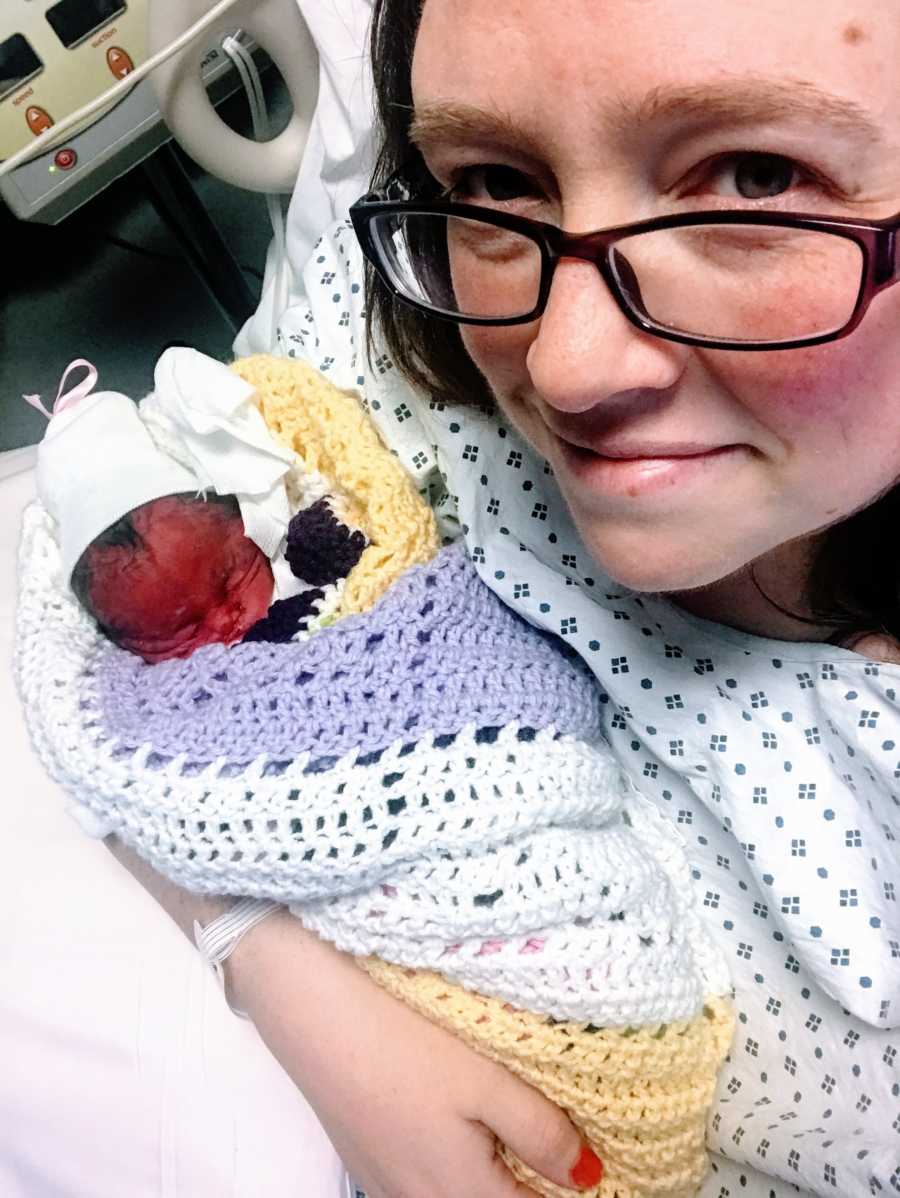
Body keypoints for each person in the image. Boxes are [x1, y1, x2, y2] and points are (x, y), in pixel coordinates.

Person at [88, 1, 900, 1196]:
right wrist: (268, 964)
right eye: (503, 178)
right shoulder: (400, 346)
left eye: (756, 178)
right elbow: (92, 591)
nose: (564, 364)